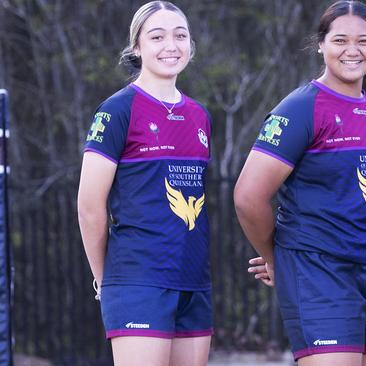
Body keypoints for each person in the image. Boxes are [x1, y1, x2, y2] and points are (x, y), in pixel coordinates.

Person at [234, 1, 366, 365]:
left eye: (363, 40)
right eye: (340, 40)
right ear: (321, 45)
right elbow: (248, 197)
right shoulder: (300, 108)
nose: (352, 50)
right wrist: (275, 257)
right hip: (320, 269)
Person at [77, 2, 213, 365]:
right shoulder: (117, 110)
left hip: (194, 281)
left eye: (180, 35)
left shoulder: (199, 115)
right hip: (137, 280)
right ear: (137, 46)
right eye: (157, 36)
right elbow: (90, 206)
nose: (171, 45)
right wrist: (105, 280)